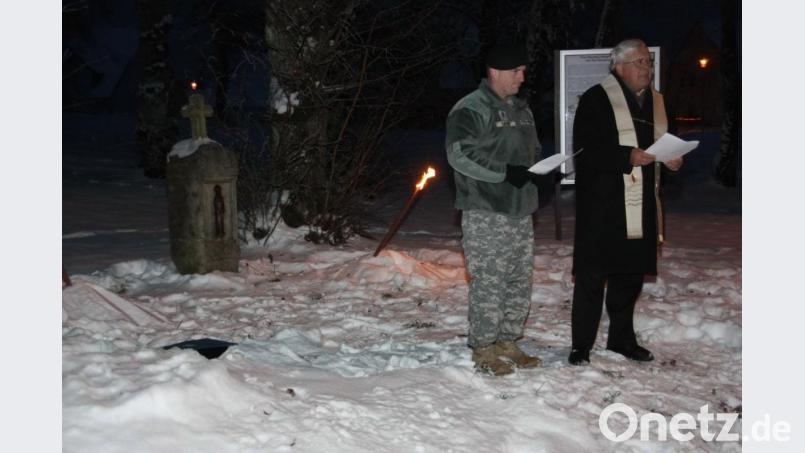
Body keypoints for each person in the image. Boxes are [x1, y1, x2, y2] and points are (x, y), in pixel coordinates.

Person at [568, 39, 683, 366]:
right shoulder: (596, 99)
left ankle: (621, 339)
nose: (647, 69)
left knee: (630, 274)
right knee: (593, 276)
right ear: (617, 66)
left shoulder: (658, 102)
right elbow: (585, 150)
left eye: (648, 62)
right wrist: (626, 156)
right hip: (603, 206)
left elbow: (665, 143)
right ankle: (581, 345)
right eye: (639, 63)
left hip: (642, 204)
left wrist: (671, 161)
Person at [445, 42, 543, 375]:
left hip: (520, 209)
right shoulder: (470, 109)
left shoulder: (521, 109)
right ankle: (484, 348)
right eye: (517, 71)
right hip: (486, 210)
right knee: (489, 281)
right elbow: (460, 154)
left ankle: (508, 341)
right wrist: (504, 173)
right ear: (496, 72)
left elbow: (533, 150)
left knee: (518, 279)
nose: (522, 77)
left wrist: (539, 170)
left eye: (524, 71)